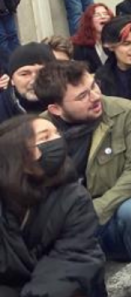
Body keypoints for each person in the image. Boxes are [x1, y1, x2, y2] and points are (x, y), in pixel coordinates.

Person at [35, 60, 131, 296]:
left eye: (94, 86)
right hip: (67, 228)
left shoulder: (126, 111)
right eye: (82, 95)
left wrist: (96, 209)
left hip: (112, 216)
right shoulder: (39, 132)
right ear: (56, 109)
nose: (95, 96)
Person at [0, 114, 106, 296]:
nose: (57, 140)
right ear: (18, 155)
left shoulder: (74, 198)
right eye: (45, 137)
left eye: (56, 133)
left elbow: (72, 260)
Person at [0, 43, 54, 123]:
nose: (34, 81)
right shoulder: (3, 109)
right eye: (24, 74)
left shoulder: (69, 102)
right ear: (12, 80)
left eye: (43, 72)